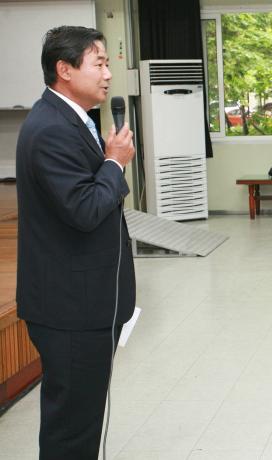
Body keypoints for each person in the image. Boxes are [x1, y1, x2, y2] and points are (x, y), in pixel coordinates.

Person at [15, 26, 136, 459]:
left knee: (81, 422)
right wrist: (115, 163)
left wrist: (107, 162)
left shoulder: (72, 119)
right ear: (64, 69)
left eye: (107, 63)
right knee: (71, 430)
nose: (107, 74)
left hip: (84, 301)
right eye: (99, 63)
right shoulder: (50, 128)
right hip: (69, 309)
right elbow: (84, 210)